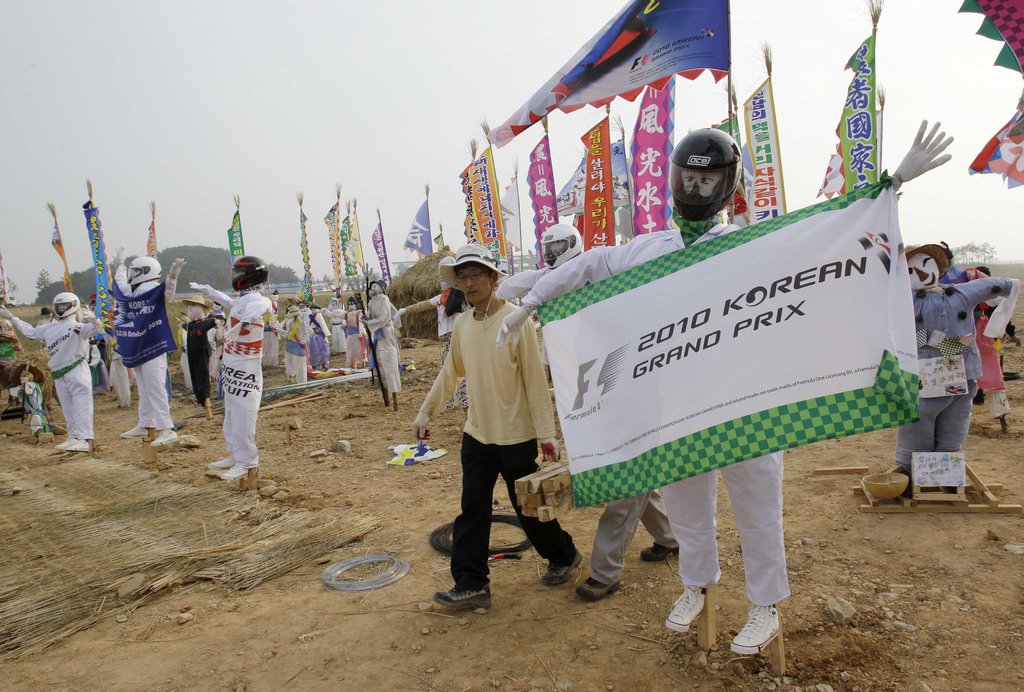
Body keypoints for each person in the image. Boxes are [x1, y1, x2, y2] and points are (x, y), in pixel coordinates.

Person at [497, 121, 955, 654]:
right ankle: (696, 585)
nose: (696, 189)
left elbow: (822, 237)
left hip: (747, 402)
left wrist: (892, 184)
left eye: (708, 180)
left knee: (758, 509)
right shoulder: (647, 250)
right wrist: (533, 299)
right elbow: (589, 264)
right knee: (688, 507)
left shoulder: (749, 245)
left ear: (726, 186)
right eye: (688, 179)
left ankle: (765, 606)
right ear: (673, 180)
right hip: (678, 408)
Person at [413, 244, 581, 611]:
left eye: (477, 275)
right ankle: (471, 584)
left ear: (493, 279)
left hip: (516, 435)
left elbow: (535, 381)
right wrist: (426, 411)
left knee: (528, 510)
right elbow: (450, 372)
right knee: (472, 509)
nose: (469, 283)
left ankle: (564, 554)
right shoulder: (462, 325)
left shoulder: (517, 322)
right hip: (477, 434)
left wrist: (546, 434)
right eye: (463, 277)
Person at [896, 244, 1018, 470]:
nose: (921, 273)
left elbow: (997, 285)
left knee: (953, 429)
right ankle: (910, 471)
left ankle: (946, 472)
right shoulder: (905, 300)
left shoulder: (959, 294)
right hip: (922, 380)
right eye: (912, 270)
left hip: (960, 377)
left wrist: (1008, 291)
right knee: (916, 431)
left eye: (925, 265)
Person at [190, 256, 274, 480]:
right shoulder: (243, 300)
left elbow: (263, 305)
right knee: (231, 416)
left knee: (244, 415)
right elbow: (230, 303)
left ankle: (247, 461)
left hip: (245, 367)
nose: (235, 277)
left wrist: (247, 320)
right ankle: (235, 455)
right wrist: (210, 292)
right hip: (231, 362)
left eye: (239, 273)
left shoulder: (256, 300)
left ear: (250, 276)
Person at [1, 293, 100, 452]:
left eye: (64, 306)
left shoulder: (79, 327)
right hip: (59, 373)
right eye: (59, 306)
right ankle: (73, 436)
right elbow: (30, 332)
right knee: (67, 407)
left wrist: (95, 319)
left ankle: (85, 438)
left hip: (77, 369)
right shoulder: (50, 328)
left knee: (82, 405)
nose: (61, 309)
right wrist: (13, 318)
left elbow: (96, 329)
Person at [113, 253, 184, 447]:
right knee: (143, 387)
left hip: (153, 344)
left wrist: (172, 278)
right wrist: (119, 267)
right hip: (138, 343)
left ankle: (166, 429)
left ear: (146, 271)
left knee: (155, 387)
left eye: (136, 271)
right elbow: (120, 288)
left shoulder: (152, 288)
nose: (132, 274)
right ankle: (145, 423)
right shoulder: (133, 291)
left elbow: (167, 294)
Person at [398, 256, 470, 410]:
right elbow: (423, 305)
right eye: (441, 275)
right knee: (445, 370)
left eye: (446, 275)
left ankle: (465, 402)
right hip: (447, 341)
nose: (443, 280)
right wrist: (405, 310)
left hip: (462, 340)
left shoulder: (463, 295)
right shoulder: (442, 298)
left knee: (463, 372)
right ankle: (448, 402)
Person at [363, 280, 402, 411]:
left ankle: (394, 396)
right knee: (380, 363)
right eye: (371, 287)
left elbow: (385, 317)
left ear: (381, 288)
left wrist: (370, 323)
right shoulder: (372, 302)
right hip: (377, 334)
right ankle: (386, 393)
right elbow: (369, 316)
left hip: (385, 332)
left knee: (389, 360)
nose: (372, 288)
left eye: (375, 286)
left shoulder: (384, 299)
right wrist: (366, 319)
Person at [183, 296, 217, 406]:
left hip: (201, 350)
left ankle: (204, 397)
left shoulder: (204, 323)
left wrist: (212, 320)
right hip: (192, 351)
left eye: (195, 306)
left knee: (202, 375)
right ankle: (200, 397)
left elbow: (211, 323)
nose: (190, 308)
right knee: (194, 375)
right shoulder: (189, 325)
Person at [279, 301, 311, 384]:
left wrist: (303, 343)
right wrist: (279, 331)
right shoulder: (290, 323)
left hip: (299, 346)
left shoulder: (302, 323)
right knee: (290, 364)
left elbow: (306, 334)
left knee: (300, 365)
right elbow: (289, 334)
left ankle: (302, 382)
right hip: (291, 345)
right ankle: (292, 379)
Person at [343, 297, 367, 368]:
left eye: (352, 305)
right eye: (349, 305)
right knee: (350, 349)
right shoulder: (346, 314)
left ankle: (361, 362)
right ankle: (351, 362)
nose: (350, 306)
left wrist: (361, 332)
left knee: (358, 349)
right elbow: (338, 315)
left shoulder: (358, 313)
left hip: (357, 334)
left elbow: (360, 323)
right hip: (349, 335)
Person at [308, 303, 331, 371]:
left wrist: (326, 334)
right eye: (312, 309)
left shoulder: (318, 315)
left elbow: (323, 325)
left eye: (314, 309)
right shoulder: (311, 316)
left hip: (317, 334)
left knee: (321, 349)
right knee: (316, 349)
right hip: (314, 335)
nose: (313, 310)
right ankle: (317, 364)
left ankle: (322, 363)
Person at [262, 298, 280, 368]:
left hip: (270, 330)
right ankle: (269, 362)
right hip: (268, 331)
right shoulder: (268, 312)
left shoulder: (271, 312)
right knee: (269, 347)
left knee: (270, 347)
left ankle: (270, 362)